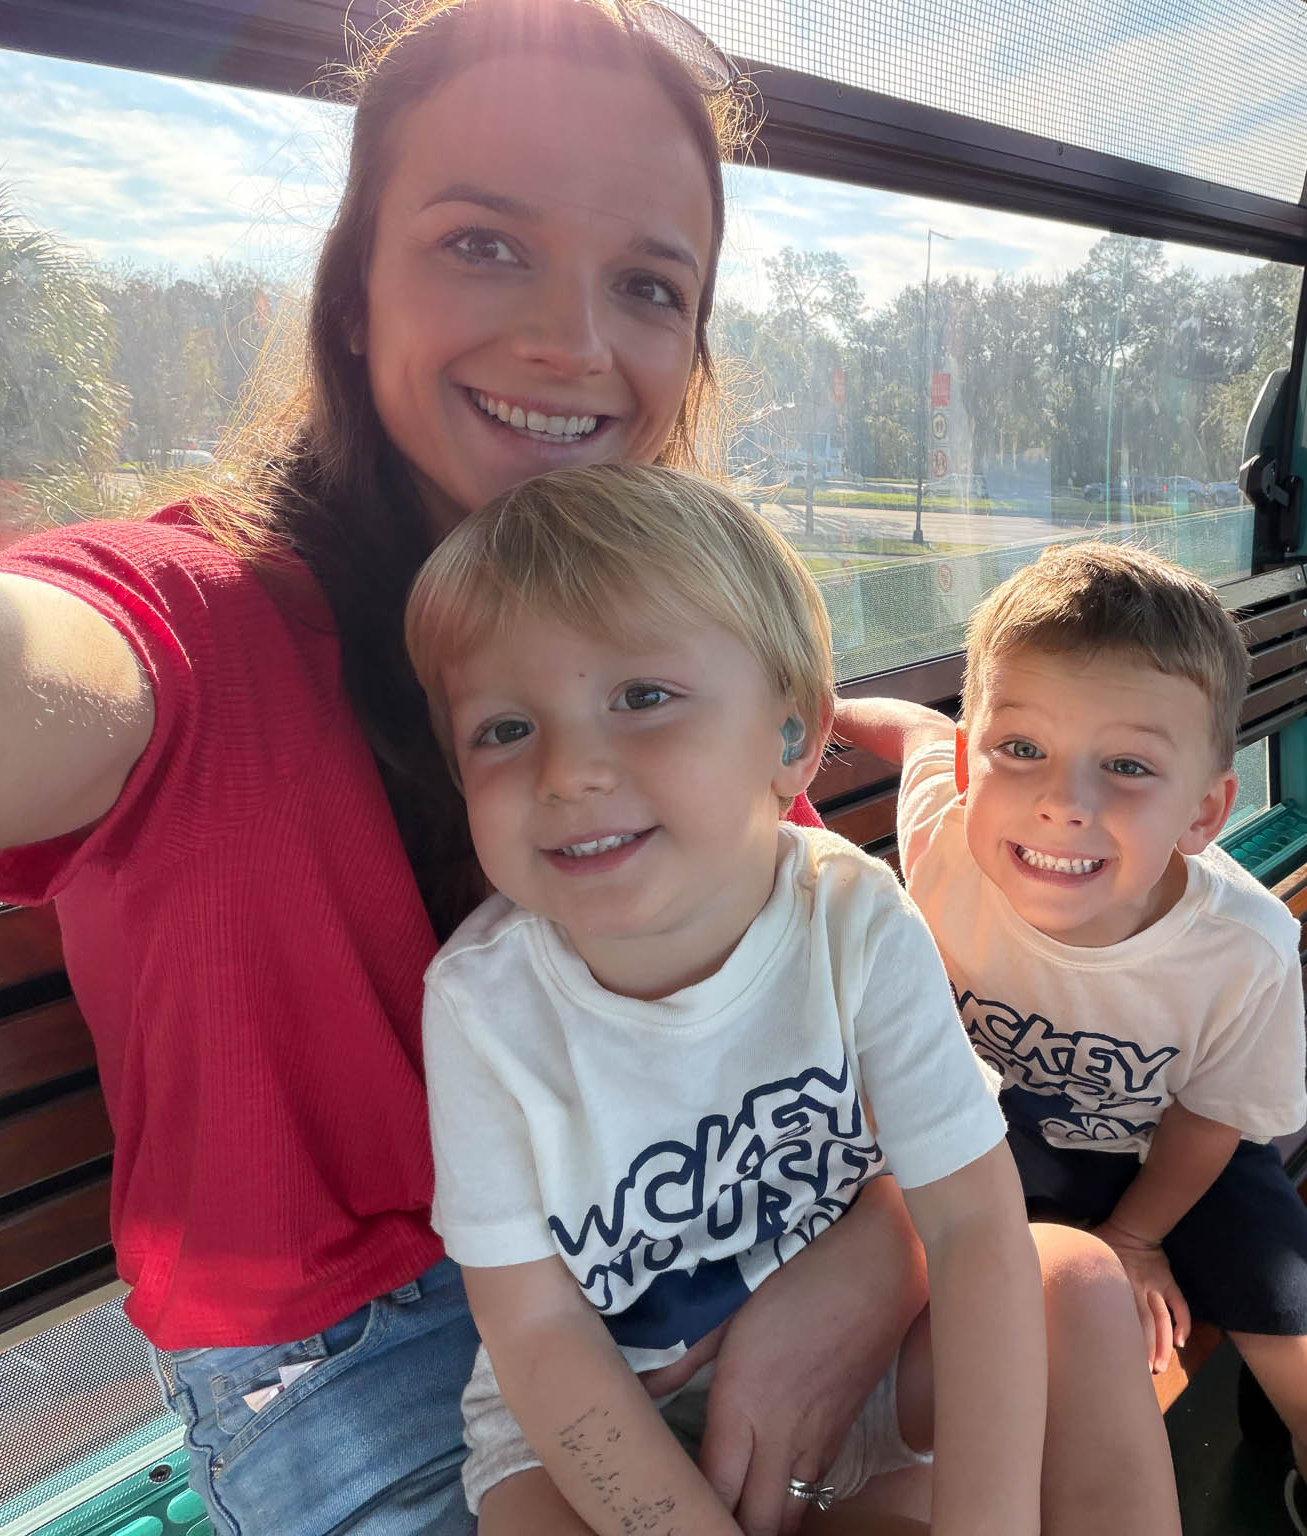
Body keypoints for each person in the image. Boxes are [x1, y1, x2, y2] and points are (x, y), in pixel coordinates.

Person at [0, 3, 1179, 1530]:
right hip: (370, 1361)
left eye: (646, 282)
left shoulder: (693, 665)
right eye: (482, 242)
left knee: (1076, 1296)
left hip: (728, 1240)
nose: (572, 338)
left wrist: (866, 1252)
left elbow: (841, 1111)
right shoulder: (197, 623)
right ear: (353, 292)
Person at [405, 465, 1043, 1534]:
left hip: (864, 1361)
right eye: (504, 730)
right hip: (600, 1418)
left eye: (641, 697)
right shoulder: (483, 1006)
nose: (566, 771)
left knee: (1074, 1298)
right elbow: (534, 1330)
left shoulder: (851, 919)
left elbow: (974, 1221)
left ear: (789, 736)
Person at [834, 541, 1307, 1536]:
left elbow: (1211, 1120)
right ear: (979, 761)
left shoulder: (1240, 947)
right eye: (1021, 749)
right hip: (980, 1152)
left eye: (1128, 766)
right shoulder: (943, 833)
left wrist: (1134, 1237)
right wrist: (818, 713)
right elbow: (921, 733)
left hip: (1177, 1159)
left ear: (1204, 812)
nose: (1063, 802)